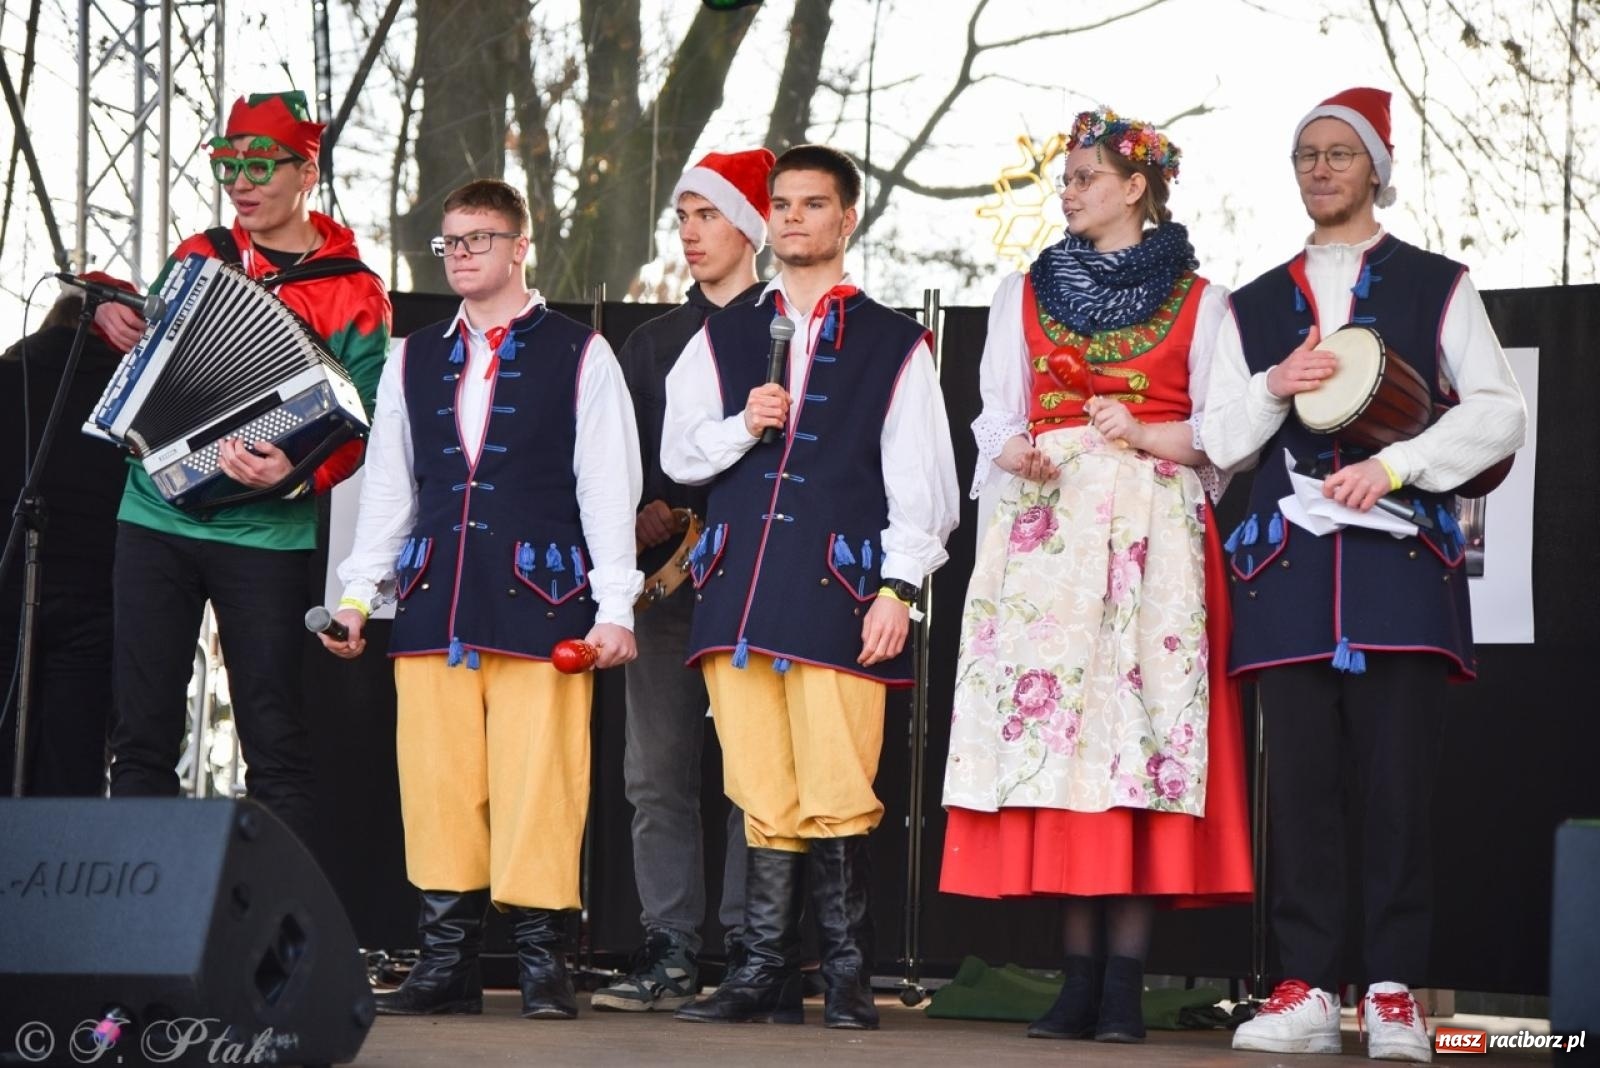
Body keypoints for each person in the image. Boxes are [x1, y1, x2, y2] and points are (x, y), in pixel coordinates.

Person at [1204, 88, 1525, 1063]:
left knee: (1396, 792)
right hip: (1286, 574)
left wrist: (1397, 465)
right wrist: (1273, 385)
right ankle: (1301, 985)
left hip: (1400, 576)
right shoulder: (1250, 303)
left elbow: (1501, 413)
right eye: (1305, 154)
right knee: (1298, 791)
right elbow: (1217, 440)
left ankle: (1390, 990)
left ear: (1374, 169)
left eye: (1338, 153)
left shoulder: (1438, 283)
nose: (1319, 168)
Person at [938, 107, 1254, 1044]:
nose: (1067, 190)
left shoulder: (1206, 301)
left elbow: (1230, 436)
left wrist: (1152, 433)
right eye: (1066, 178)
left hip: (1153, 535)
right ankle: (1077, 978)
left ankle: (1123, 983)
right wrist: (1017, 452)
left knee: (1136, 745)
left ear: (1134, 187)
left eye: (1083, 176)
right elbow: (993, 414)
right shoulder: (1019, 293)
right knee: (1059, 749)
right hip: (1048, 539)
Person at [319, 178, 642, 1022]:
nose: (461, 253)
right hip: (434, 600)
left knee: (543, 779)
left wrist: (616, 607)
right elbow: (391, 486)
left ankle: (542, 962)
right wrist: (359, 594)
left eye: (478, 238)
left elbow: (607, 488)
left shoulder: (583, 352)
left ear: (518, 245)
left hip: (546, 598)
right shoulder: (411, 355)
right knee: (437, 782)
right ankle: (446, 962)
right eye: (450, 242)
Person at [662, 143, 960, 1030]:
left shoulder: (893, 341)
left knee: (837, 782)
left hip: (838, 590)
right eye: (782, 204)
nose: (793, 217)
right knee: (759, 786)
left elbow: (926, 486)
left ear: (845, 219)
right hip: (740, 590)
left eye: (812, 204)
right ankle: (761, 972)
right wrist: (740, 427)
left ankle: (848, 975)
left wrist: (897, 591)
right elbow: (678, 455)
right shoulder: (718, 335)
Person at [96, 90, 391, 844]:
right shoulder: (199, 256)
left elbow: (366, 429)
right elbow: (153, 365)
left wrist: (294, 476)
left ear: (306, 172)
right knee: (140, 733)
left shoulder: (354, 290)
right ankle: (138, 929)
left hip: (267, 537)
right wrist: (116, 320)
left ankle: (273, 940)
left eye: (261, 164)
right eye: (229, 165)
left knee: (274, 736)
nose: (242, 183)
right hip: (153, 516)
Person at [592, 149, 774, 1014]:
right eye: (683, 217)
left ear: (752, 226)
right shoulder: (653, 342)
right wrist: (638, 518)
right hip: (666, 588)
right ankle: (667, 945)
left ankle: (751, 946)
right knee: (654, 769)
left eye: (708, 214)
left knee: (755, 772)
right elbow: (614, 471)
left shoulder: (795, 328)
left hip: (759, 585)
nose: (691, 232)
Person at [0, 286, 131, 796]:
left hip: (8, 586)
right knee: (73, 762)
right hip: (97, 598)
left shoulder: (9, 376)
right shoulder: (128, 397)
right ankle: (65, 872)